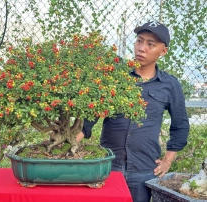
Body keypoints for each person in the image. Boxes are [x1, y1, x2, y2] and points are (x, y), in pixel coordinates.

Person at [77, 21, 190, 202]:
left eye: (150, 44)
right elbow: (89, 118)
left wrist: (167, 160)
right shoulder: (114, 76)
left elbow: (180, 125)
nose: (142, 48)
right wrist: (69, 145)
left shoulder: (169, 85)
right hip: (108, 167)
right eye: (139, 41)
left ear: (163, 51)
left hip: (144, 169)